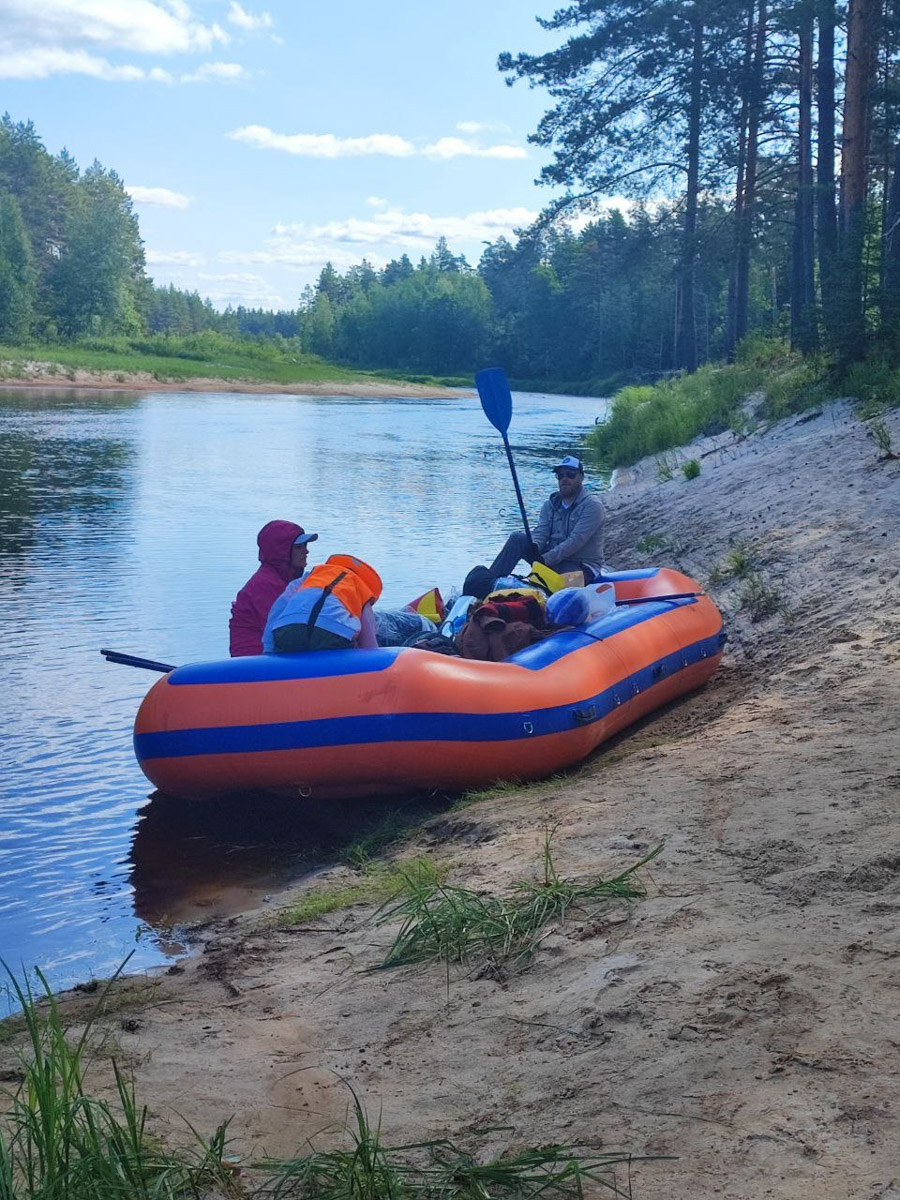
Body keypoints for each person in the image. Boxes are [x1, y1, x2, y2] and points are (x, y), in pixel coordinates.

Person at [487, 455, 605, 582]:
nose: (565, 479)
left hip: (580, 566)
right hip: (551, 561)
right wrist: (535, 546)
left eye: (570, 474)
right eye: (560, 475)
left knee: (547, 586)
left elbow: (575, 541)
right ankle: (488, 583)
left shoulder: (592, 506)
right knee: (518, 539)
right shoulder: (549, 505)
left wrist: (544, 559)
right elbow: (541, 532)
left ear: (581, 478)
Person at [229, 520, 318, 657]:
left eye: (305, 545)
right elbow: (284, 631)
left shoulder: (285, 580)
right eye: (299, 547)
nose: (306, 551)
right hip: (255, 663)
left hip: (270, 659)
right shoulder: (265, 584)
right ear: (281, 551)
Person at [263, 554, 382, 652]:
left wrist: (268, 651)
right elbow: (369, 642)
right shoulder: (361, 588)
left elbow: (278, 609)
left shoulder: (310, 576)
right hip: (333, 631)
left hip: (289, 627)